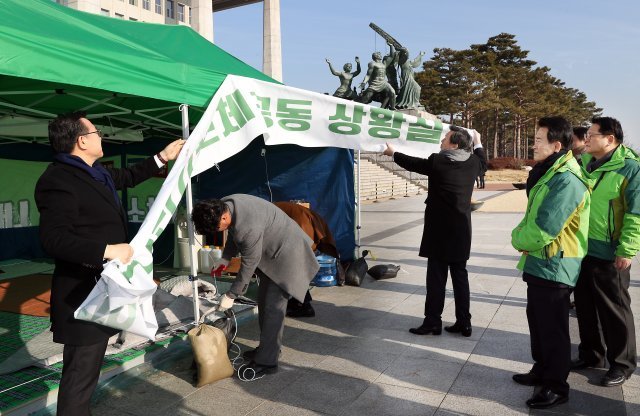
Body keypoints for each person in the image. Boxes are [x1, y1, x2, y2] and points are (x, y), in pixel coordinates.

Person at [34, 111, 184, 415]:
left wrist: (163, 156)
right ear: (81, 140)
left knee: (86, 375)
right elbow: (54, 239)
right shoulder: (58, 179)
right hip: (82, 294)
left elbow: (129, 176)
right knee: (79, 376)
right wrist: (107, 250)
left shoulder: (96, 172)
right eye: (96, 131)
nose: (101, 135)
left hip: (104, 288)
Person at [510, 116, 590, 409]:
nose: (534, 144)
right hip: (541, 262)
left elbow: (544, 228)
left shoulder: (567, 179)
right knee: (538, 321)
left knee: (553, 328)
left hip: (556, 263)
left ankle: (557, 385)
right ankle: (541, 370)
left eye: (539, 140)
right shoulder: (549, 172)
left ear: (557, 145)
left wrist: (517, 239)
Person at [191, 195, 319, 377]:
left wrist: (232, 295)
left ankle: (268, 362)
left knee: (273, 307)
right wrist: (225, 259)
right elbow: (234, 235)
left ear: (224, 218)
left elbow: (249, 264)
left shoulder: (248, 226)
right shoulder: (227, 205)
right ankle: (268, 349)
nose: (218, 231)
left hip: (288, 255)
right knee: (263, 301)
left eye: (217, 228)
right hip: (273, 251)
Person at [383, 126, 486, 337]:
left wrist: (392, 153)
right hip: (461, 230)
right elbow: (483, 160)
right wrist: (478, 140)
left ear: (454, 144)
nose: (441, 141)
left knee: (436, 278)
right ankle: (464, 322)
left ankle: (432, 322)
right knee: (460, 276)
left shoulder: (437, 161)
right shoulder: (474, 163)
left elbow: (412, 163)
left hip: (439, 229)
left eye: (445, 139)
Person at [571, 116, 640, 387]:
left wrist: (627, 249)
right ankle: (591, 354)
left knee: (615, 308)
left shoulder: (630, 168)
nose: (586, 139)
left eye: (592, 135)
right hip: (582, 246)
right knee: (585, 305)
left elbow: (636, 213)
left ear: (609, 139)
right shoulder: (587, 163)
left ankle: (622, 364)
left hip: (611, 250)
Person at [274, 201, 341, 318]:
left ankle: (304, 306)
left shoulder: (256, 213)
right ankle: (298, 302)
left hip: (303, 225)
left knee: (294, 267)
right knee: (295, 267)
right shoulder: (267, 208)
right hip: (305, 222)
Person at [359, 45, 397, 109]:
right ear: (376, 56)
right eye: (379, 54)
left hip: (383, 83)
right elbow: (368, 75)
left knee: (392, 92)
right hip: (375, 83)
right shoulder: (372, 64)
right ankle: (360, 106)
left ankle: (393, 107)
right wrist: (364, 83)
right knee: (368, 96)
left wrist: (391, 46)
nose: (380, 55)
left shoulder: (384, 63)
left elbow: (392, 56)